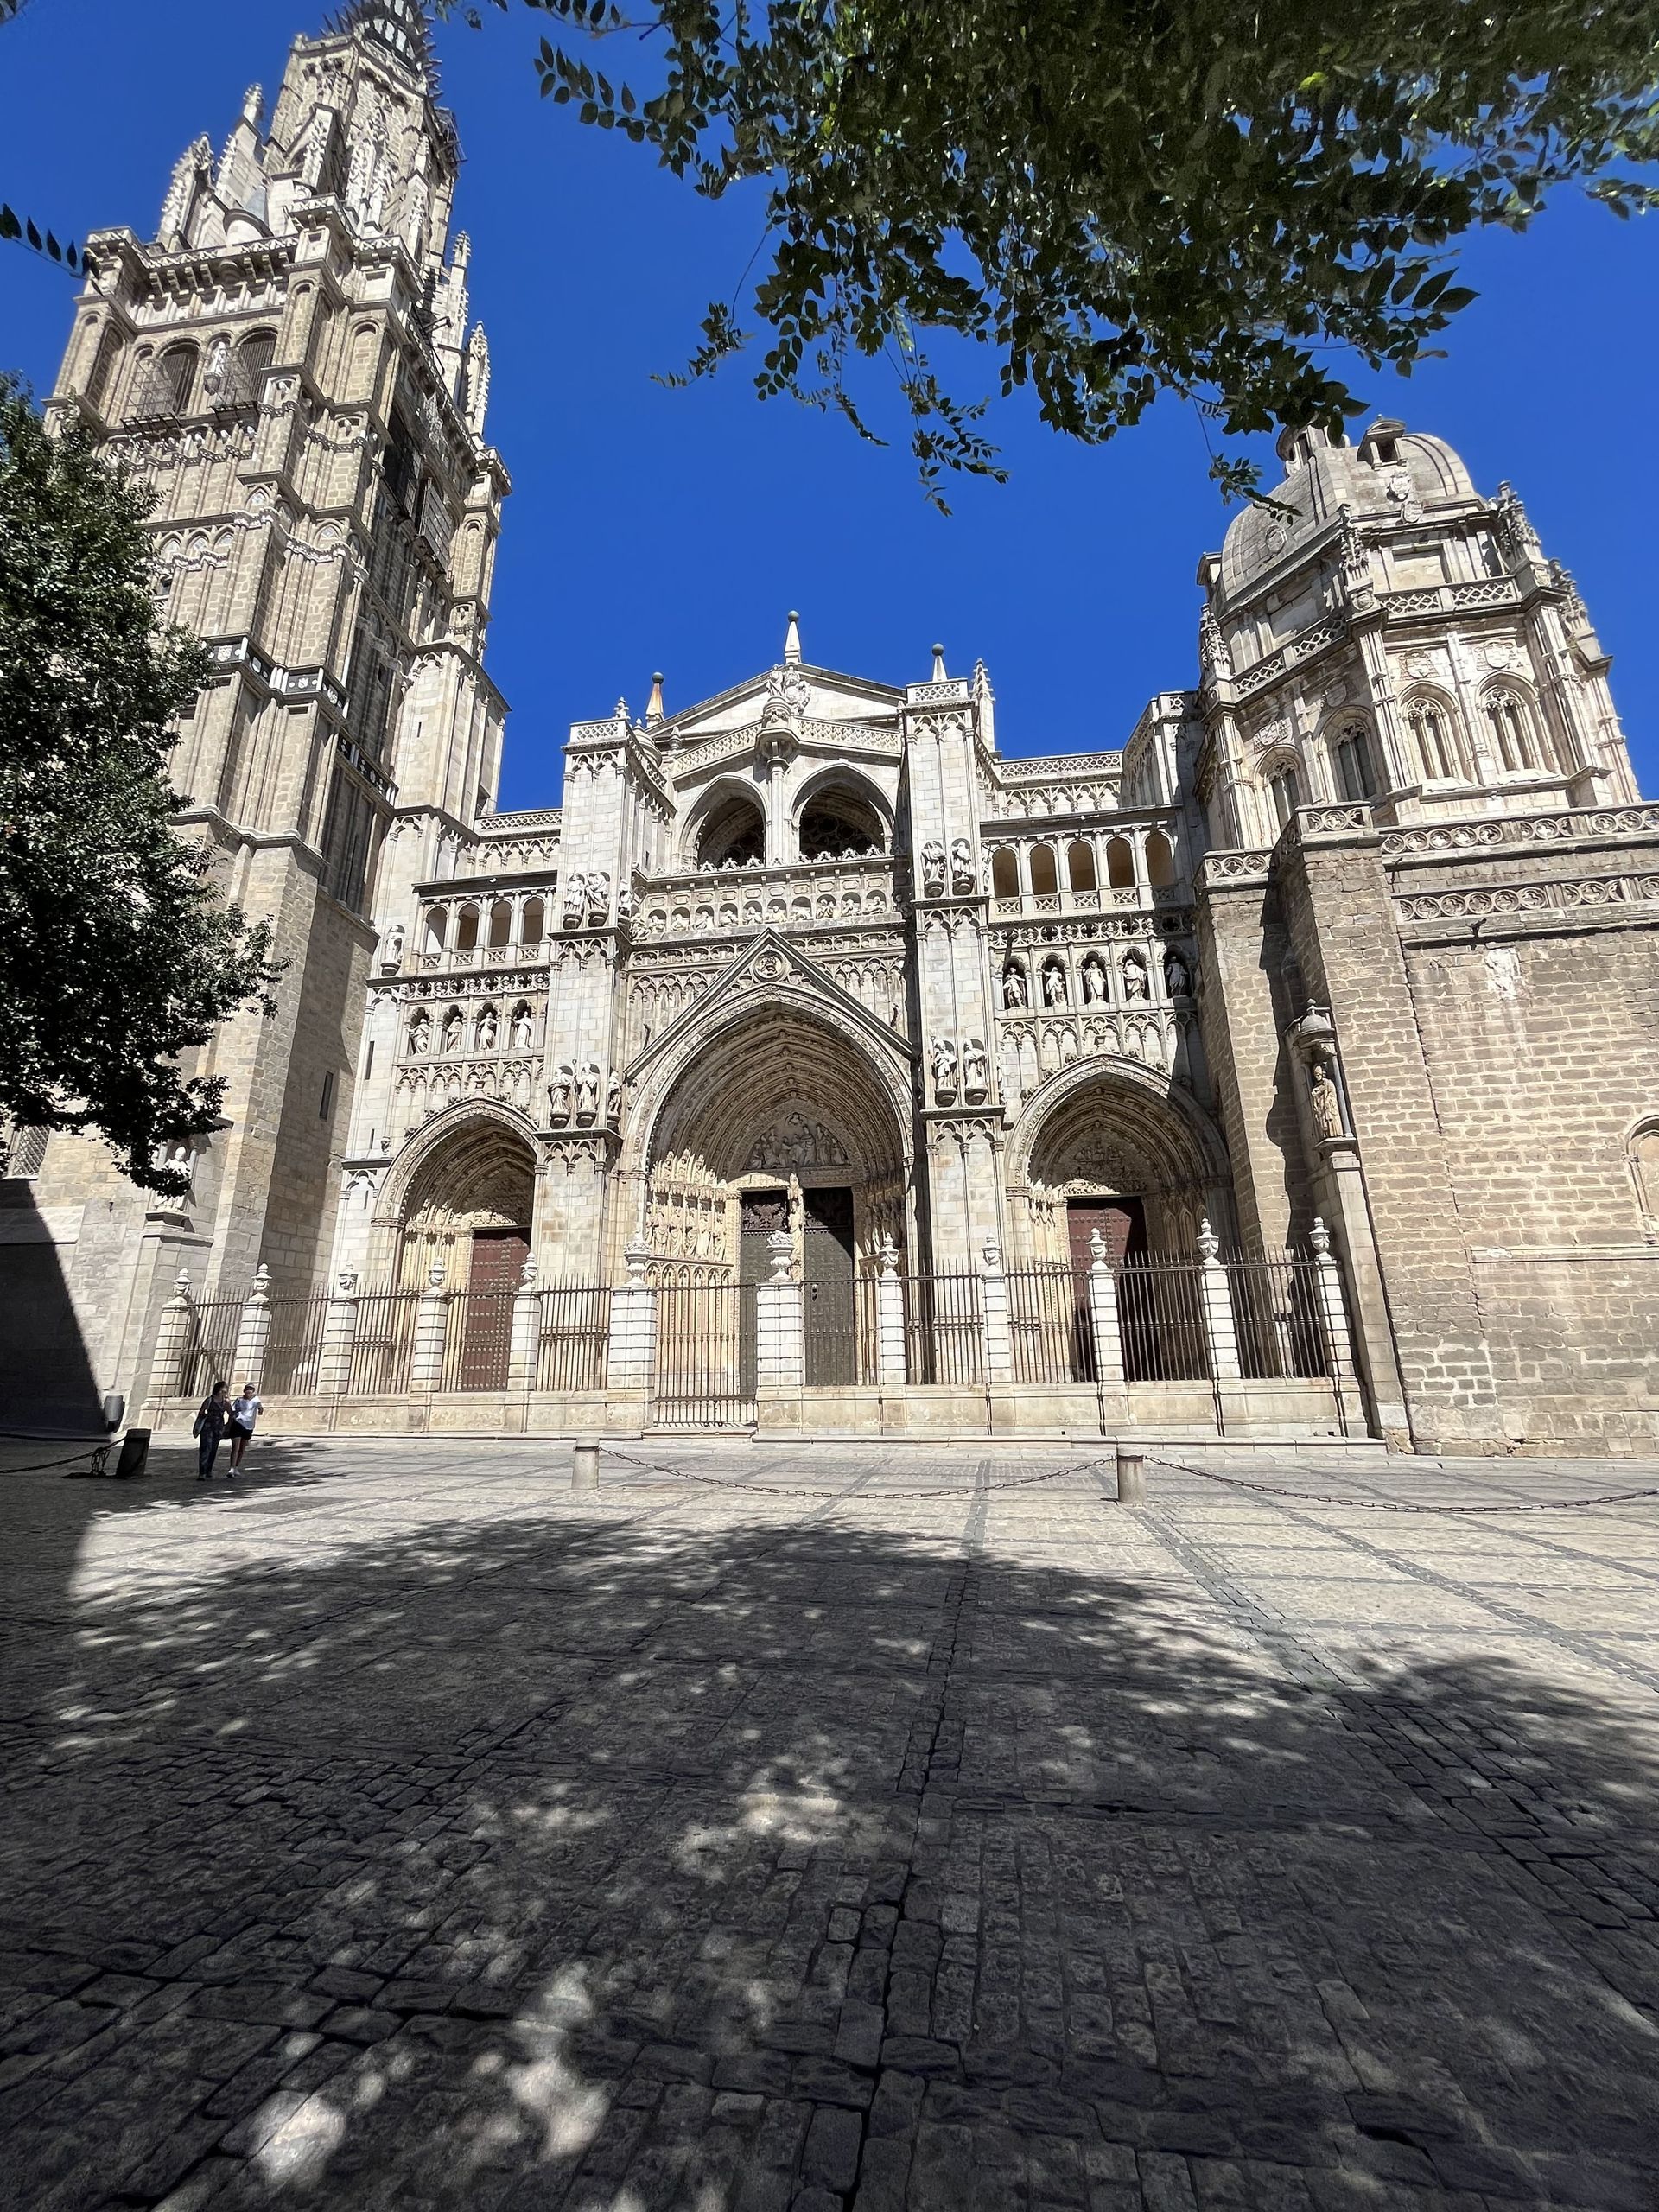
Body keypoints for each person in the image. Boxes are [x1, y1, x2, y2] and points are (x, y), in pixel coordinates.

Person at [193, 1381, 231, 1482]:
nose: (225, 1391)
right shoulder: (209, 1400)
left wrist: (227, 1425)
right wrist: (208, 1416)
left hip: (218, 1428)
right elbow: (201, 1412)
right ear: (219, 1389)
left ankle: (209, 1469)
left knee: (213, 1449)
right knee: (205, 1448)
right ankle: (202, 1472)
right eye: (224, 1389)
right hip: (207, 1427)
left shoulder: (225, 1402)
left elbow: (231, 1413)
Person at [226, 1382, 264, 1472]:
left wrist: (260, 1410)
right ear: (244, 1390)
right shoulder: (239, 1400)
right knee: (236, 1447)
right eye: (247, 1389)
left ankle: (236, 1467)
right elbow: (232, 1411)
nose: (248, 1391)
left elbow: (260, 1408)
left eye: (250, 1389)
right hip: (238, 1423)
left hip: (249, 1426)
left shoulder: (256, 1400)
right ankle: (231, 1468)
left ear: (253, 1391)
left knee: (242, 1449)